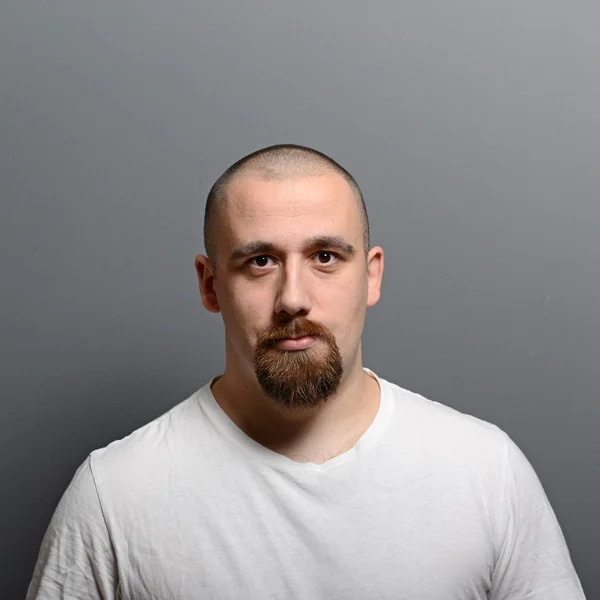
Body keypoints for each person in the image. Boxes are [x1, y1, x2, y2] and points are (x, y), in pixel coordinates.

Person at [27, 144, 586, 599]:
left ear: (371, 277)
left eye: (325, 257)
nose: (293, 298)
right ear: (209, 284)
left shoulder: (487, 473)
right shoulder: (116, 494)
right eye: (260, 261)